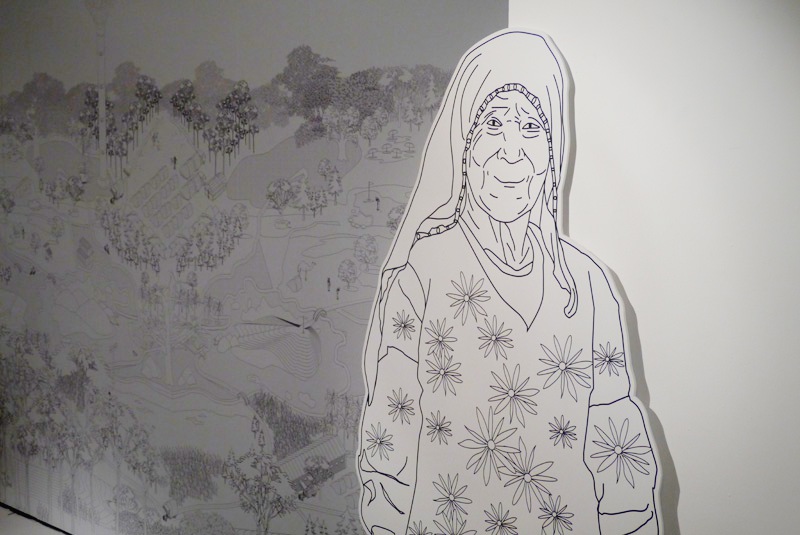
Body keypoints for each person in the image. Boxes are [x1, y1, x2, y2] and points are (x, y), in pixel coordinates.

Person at [358, 30, 660, 535]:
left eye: (531, 127)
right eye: (493, 124)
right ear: (465, 142)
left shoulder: (587, 285)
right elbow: (389, 436)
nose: (511, 152)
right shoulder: (421, 275)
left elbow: (617, 439)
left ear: (552, 148)